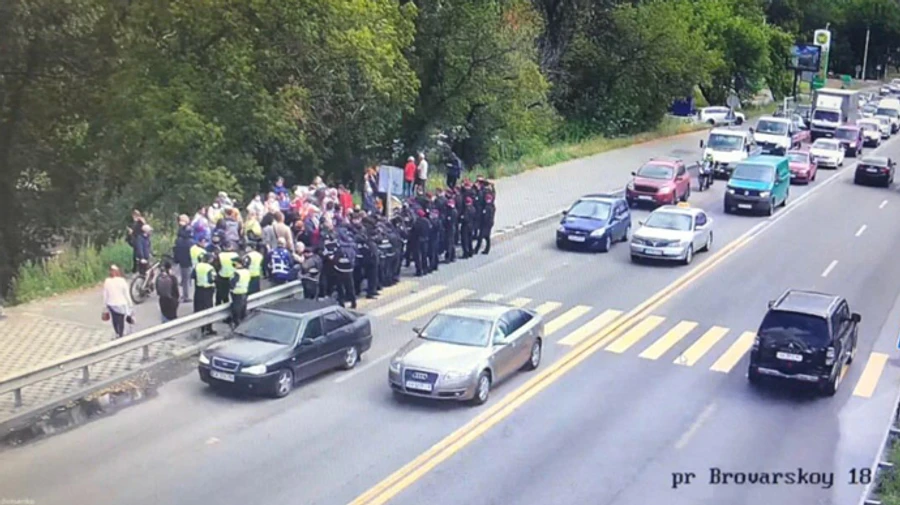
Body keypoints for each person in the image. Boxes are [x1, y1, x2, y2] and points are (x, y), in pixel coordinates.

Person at [102, 265, 132, 339]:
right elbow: (126, 294)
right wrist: (130, 303)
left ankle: (117, 333)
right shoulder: (122, 281)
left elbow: (105, 295)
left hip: (111, 304)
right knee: (121, 319)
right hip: (121, 304)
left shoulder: (107, 281)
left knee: (114, 319)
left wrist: (104, 306)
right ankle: (121, 333)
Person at [192, 253, 217, 335]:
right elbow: (211, 279)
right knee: (208, 309)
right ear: (209, 259)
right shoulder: (210, 268)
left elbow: (192, 276)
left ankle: (201, 328)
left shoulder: (197, 266)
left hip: (199, 290)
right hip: (208, 290)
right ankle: (208, 328)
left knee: (199, 308)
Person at [173, 215, 194, 302]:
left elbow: (176, 250)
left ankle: (183, 295)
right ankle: (186, 296)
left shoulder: (178, 240)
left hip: (181, 261)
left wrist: (176, 259)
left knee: (183, 279)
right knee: (186, 280)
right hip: (187, 261)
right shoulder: (190, 242)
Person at [333, 238, 357, 309]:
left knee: (340, 288)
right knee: (350, 287)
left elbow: (335, 260)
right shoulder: (351, 249)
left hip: (340, 271)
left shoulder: (339, 250)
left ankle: (342, 302)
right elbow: (354, 259)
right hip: (349, 271)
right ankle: (353, 302)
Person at [230, 256, 251, 327]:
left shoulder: (237, 273)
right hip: (244, 291)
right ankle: (242, 323)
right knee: (243, 308)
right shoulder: (247, 271)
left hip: (236, 292)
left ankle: (237, 324)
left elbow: (232, 283)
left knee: (236, 309)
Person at [412, 209, 431, 276]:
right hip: (425, 240)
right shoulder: (427, 221)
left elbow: (413, 232)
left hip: (417, 241)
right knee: (424, 255)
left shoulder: (416, 222)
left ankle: (419, 271)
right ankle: (425, 269)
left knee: (417, 256)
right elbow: (430, 229)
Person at [443, 197, 458, 263]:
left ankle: (448, 257)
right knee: (451, 243)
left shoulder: (453, 212)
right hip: (450, 228)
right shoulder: (450, 210)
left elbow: (449, 220)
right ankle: (453, 256)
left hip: (450, 229)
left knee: (449, 243)